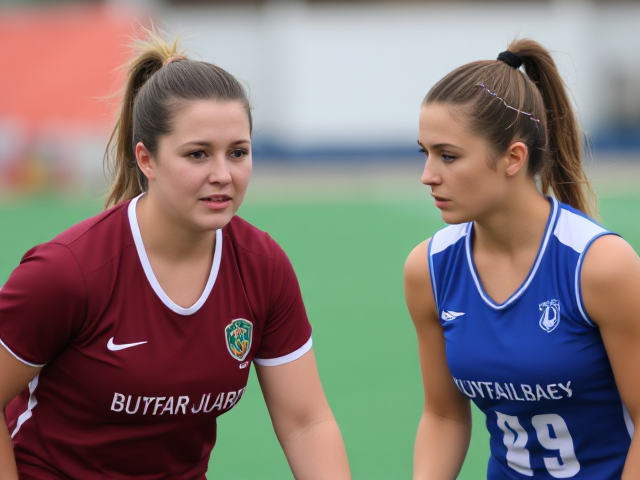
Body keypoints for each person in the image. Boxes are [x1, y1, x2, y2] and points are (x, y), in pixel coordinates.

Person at [0, 31, 351, 480]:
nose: (222, 175)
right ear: (147, 159)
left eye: (238, 153)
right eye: (198, 154)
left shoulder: (263, 267)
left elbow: (306, 423)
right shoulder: (67, 272)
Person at [404, 38, 640, 479]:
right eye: (426, 152)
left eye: (448, 156)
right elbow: (443, 417)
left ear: (513, 158)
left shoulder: (601, 266)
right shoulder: (429, 269)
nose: (428, 175)